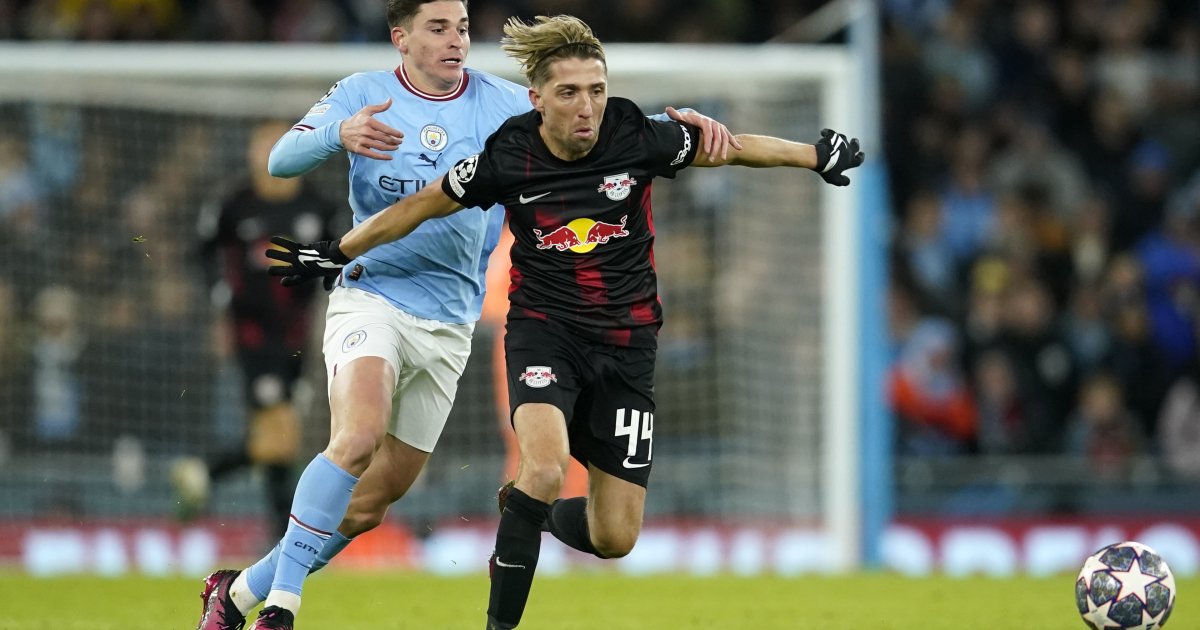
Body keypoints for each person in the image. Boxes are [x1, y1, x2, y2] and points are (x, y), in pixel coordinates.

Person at [265, 15, 863, 629]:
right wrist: (339, 250)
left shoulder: (636, 134)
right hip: (544, 332)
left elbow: (732, 148)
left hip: (627, 346)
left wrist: (815, 156)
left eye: (597, 91)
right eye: (570, 92)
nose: (586, 107)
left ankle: (528, 513)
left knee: (614, 536)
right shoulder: (509, 152)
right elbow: (424, 203)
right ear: (538, 99)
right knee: (545, 466)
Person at [191, 2, 736, 629]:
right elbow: (281, 160)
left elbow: (591, 120)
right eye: (439, 28)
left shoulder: (503, 102)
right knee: (358, 436)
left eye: (463, 27)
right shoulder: (362, 93)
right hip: (374, 294)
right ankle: (281, 607)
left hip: (450, 320)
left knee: (370, 504)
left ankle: (237, 593)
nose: (457, 40)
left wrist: (687, 129)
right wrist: (336, 135)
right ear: (401, 37)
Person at [171, 119, 338, 540]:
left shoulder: (319, 206)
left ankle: (205, 473)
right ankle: (283, 535)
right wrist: (219, 299)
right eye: (261, 147)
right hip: (252, 335)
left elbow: (338, 261)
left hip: (298, 336)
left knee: (275, 438)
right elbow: (203, 253)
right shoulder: (233, 204)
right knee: (281, 432)